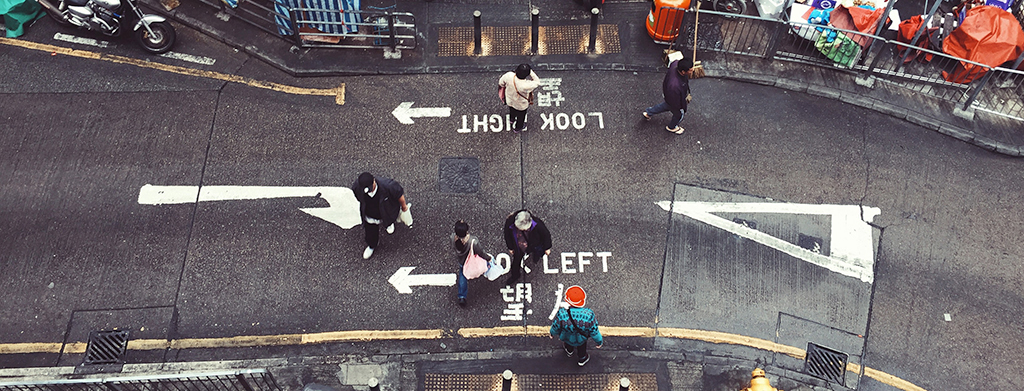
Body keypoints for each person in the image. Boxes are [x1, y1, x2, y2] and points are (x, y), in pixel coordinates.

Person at [352, 172, 409, 259]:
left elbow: (399, 195)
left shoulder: (388, 186)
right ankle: (372, 245)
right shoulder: (357, 187)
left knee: (389, 218)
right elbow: (359, 198)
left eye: (370, 188)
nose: (369, 191)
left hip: (387, 212)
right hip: (369, 215)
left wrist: (404, 207)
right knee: (370, 232)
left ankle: (388, 224)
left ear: (374, 181)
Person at [550, 285, 603, 367]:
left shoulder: (562, 313)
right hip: (581, 339)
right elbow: (594, 331)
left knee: (568, 344)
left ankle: (569, 351)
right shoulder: (588, 315)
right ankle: (582, 359)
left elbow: (556, 326)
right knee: (582, 348)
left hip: (566, 337)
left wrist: (552, 333)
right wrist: (599, 341)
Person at [642, 57, 693, 135]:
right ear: (683, 72)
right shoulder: (675, 86)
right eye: (690, 70)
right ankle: (672, 127)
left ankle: (648, 112)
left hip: (668, 94)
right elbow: (675, 103)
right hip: (673, 99)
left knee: (665, 106)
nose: (692, 70)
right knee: (678, 115)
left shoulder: (675, 64)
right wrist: (682, 107)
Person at [502, 209, 551, 286]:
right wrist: (510, 247)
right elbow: (507, 235)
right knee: (516, 262)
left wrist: (547, 247)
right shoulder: (510, 222)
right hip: (518, 247)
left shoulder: (538, 224)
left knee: (537, 252)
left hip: (534, 245)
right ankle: (515, 275)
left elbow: (546, 235)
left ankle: (536, 257)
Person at [451, 220, 489, 307]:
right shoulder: (473, 241)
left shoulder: (452, 237)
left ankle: (462, 296)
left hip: (462, 261)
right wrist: (488, 258)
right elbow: (480, 252)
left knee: (462, 276)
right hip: (470, 261)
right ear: (466, 231)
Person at [498, 64, 541, 133]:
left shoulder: (509, 75)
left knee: (512, 110)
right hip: (521, 105)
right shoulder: (526, 85)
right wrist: (531, 72)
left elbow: (501, 83)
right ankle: (518, 128)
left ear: (516, 70)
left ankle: (511, 119)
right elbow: (537, 82)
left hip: (509, 99)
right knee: (521, 117)